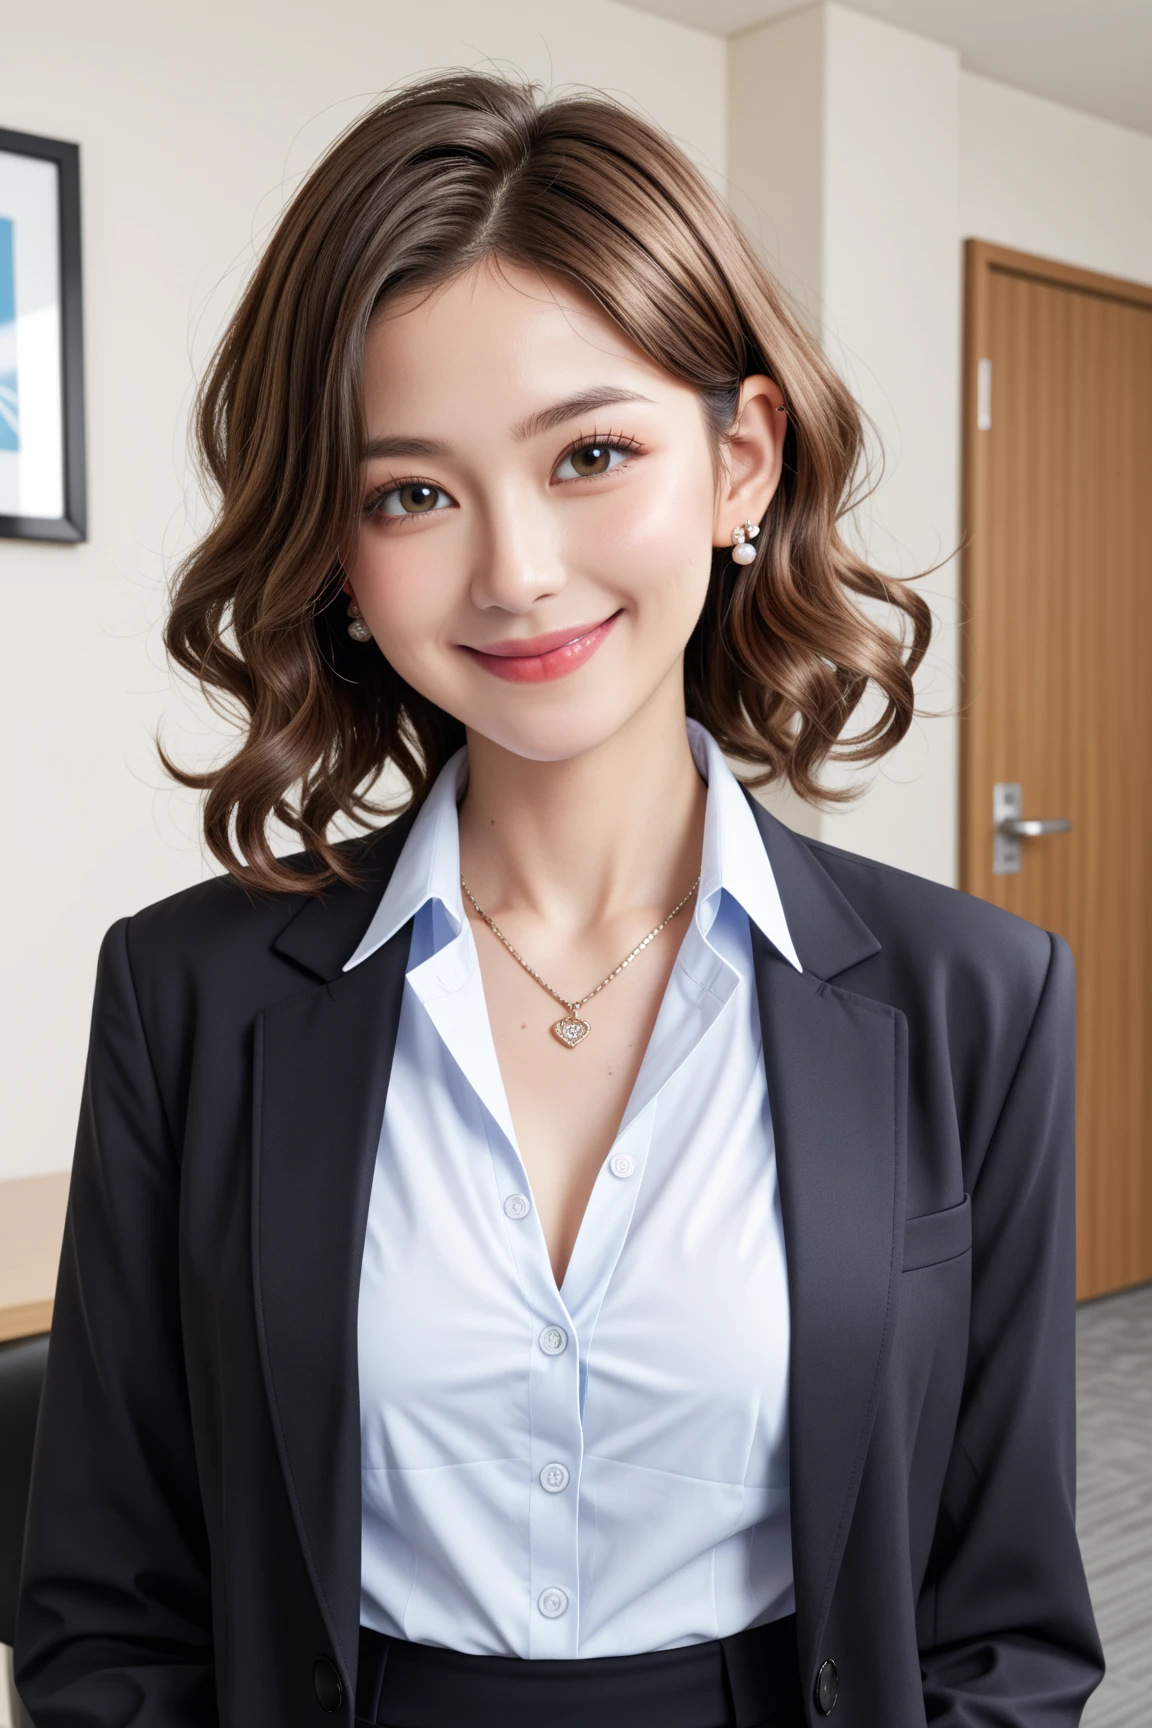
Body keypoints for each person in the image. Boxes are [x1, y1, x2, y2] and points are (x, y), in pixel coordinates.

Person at [15, 70, 1102, 1728]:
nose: (513, 568)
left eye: (591, 452)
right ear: (339, 557)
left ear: (741, 461)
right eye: (412, 492)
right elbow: (109, 1610)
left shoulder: (974, 997)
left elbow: (1002, 1628)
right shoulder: (188, 993)